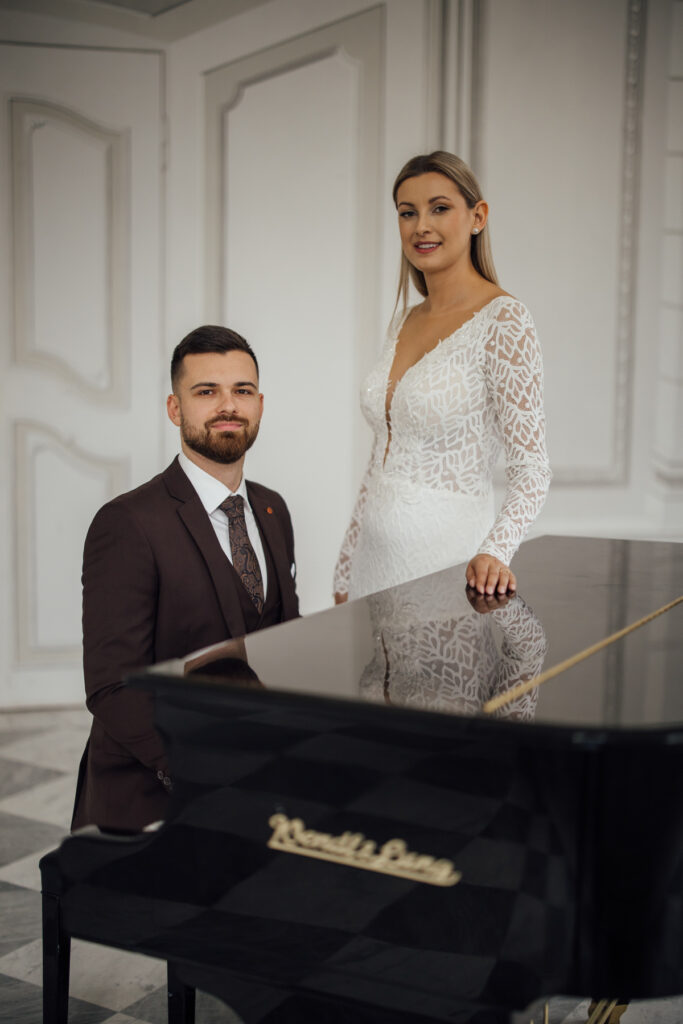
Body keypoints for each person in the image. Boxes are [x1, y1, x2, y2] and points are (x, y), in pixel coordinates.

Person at [72, 325, 299, 832]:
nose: (228, 406)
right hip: (153, 798)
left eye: (242, 391)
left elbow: (284, 640)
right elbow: (112, 687)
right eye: (206, 392)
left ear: (260, 405)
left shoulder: (273, 509)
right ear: (175, 409)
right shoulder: (127, 523)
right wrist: (207, 774)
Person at [334, 151, 551, 603]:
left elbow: (531, 469)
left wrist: (495, 551)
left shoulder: (504, 321)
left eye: (439, 208)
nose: (421, 226)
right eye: (407, 213)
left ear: (477, 217)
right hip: (373, 565)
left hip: (448, 561)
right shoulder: (404, 320)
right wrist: (347, 563)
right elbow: (382, 453)